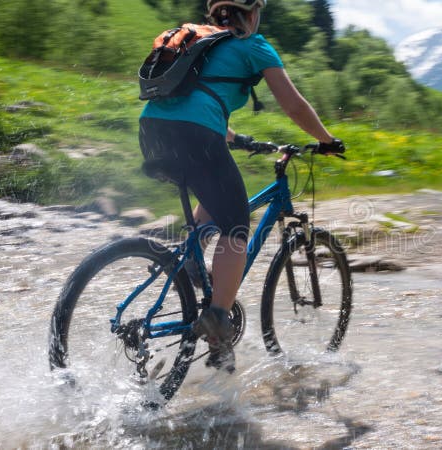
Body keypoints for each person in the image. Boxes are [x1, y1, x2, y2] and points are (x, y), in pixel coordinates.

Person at [138, 0, 344, 373]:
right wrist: (326, 140)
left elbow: (194, 97)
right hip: (196, 133)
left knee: (213, 201)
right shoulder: (253, 44)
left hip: (153, 130)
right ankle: (217, 321)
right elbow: (293, 105)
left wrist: (236, 138)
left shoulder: (203, 42)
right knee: (236, 226)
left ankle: (189, 270)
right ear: (252, 13)